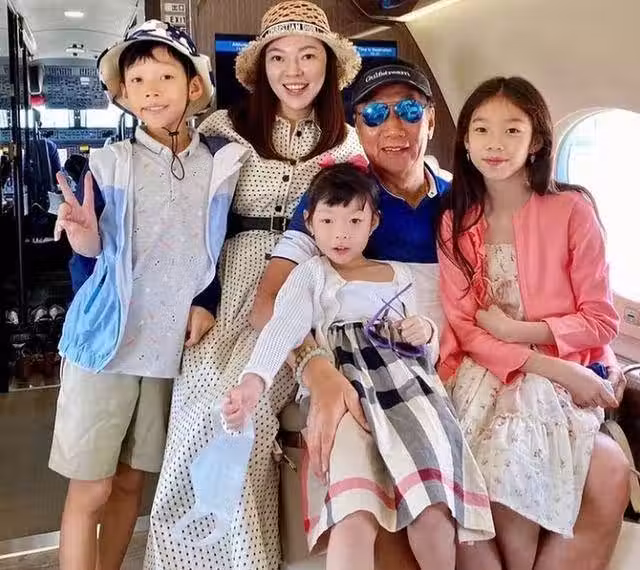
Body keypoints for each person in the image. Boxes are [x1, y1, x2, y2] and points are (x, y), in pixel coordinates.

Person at [255, 63, 631, 569]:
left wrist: (601, 360)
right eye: (375, 114)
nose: (394, 126)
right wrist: (318, 372)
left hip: (461, 361)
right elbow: (269, 304)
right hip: (410, 372)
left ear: (432, 120)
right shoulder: (341, 199)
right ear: (356, 125)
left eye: (410, 111)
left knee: (607, 471)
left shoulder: (461, 198)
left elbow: (590, 307)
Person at [144, 3, 363, 569]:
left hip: (305, 292)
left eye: (308, 56)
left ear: (329, 66)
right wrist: (200, 298)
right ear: (261, 68)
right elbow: (190, 220)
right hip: (229, 285)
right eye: (279, 58)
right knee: (199, 415)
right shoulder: (222, 130)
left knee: (249, 416)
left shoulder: (348, 145)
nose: (294, 71)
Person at [48, 20, 248, 570]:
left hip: (167, 352)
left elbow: (222, 246)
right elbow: (92, 260)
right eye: (137, 80)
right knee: (91, 488)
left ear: (193, 85)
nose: (152, 91)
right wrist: (85, 240)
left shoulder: (222, 163)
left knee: (132, 484)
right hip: (105, 347)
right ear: (123, 93)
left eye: (165, 76)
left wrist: (207, 300)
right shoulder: (109, 163)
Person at [224, 163, 494, 570]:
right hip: (347, 390)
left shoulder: (400, 275)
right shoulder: (311, 276)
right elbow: (281, 330)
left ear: (374, 223)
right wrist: (252, 382)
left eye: (354, 221)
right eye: (328, 221)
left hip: (409, 389)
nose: (341, 234)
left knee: (432, 508)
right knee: (354, 511)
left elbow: (432, 339)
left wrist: (425, 331)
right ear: (309, 223)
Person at [437, 76, 631, 570]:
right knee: (500, 459)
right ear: (465, 141)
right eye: (481, 130)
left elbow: (601, 320)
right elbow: (466, 328)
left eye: (512, 130)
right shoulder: (456, 221)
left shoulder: (572, 210)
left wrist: (522, 333)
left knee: (518, 451)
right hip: (487, 369)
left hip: (564, 368)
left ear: (537, 141)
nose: (495, 144)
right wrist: (536, 361)